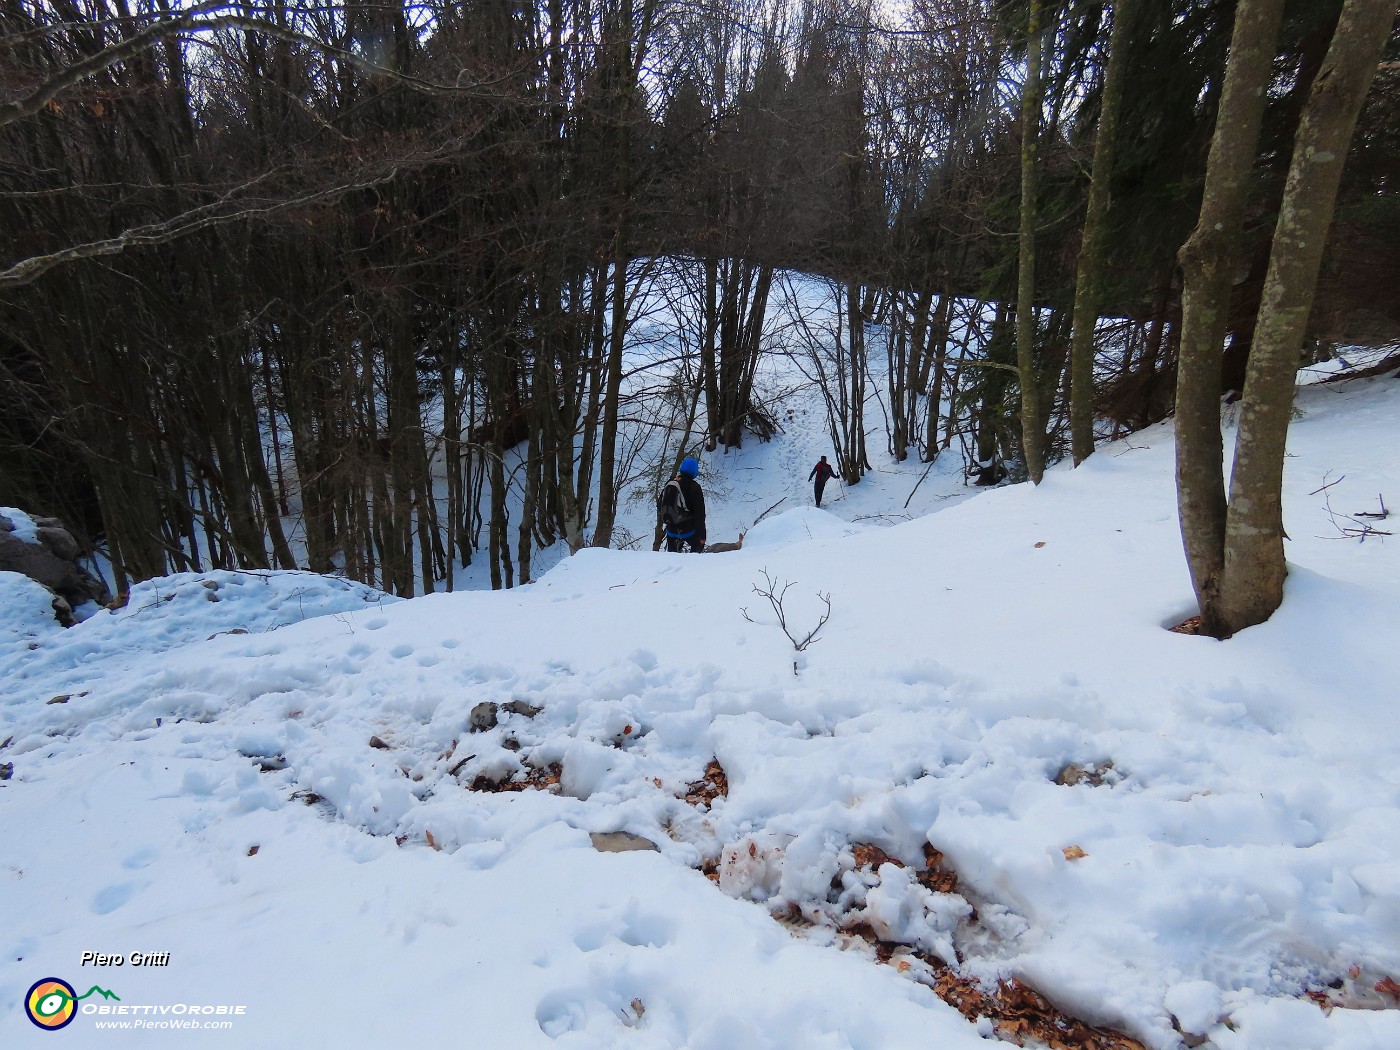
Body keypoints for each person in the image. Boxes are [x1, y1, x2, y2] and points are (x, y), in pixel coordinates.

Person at [657, 457, 706, 552]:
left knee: (672, 557)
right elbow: (699, 515)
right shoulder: (694, 487)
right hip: (689, 531)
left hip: (671, 530)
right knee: (696, 554)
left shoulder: (671, 482)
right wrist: (702, 537)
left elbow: (660, 505)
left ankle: (672, 566)